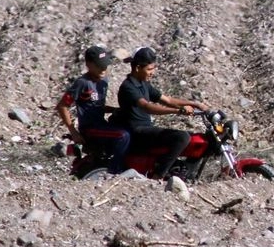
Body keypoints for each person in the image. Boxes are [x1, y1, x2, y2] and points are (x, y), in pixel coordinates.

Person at [111, 46, 210, 180]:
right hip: (138, 132)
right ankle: (158, 177)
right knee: (181, 137)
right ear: (137, 68)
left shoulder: (144, 83)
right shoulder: (129, 87)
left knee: (195, 138)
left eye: (153, 68)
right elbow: (148, 107)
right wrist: (178, 111)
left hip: (146, 129)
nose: (153, 72)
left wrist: (195, 104)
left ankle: (186, 174)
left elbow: (167, 99)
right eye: (149, 69)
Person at [55, 45, 134, 177]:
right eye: (99, 65)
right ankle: (115, 172)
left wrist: (117, 110)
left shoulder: (103, 81)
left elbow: (97, 106)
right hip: (90, 128)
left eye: (105, 65)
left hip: (102, 124)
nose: (103, 69)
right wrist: (74, 132)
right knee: (123, 136)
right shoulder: (82, 83)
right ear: (89, 64)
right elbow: (62, 106)